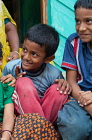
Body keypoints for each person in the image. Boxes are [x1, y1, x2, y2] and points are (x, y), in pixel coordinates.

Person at [2, 24, 71, 125]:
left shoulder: (54, 74)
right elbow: (2, 95)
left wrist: (65, 85)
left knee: (59, 89)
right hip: (21, 119)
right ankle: (41, 130)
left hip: (47, 116)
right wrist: (14, 83)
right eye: (24, 50)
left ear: (48, 59)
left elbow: (56, 103)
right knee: (23, 82)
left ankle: (40, 129)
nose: (26, 57)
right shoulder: (10, 67)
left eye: (34, 54)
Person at [57, 0, 92, 139]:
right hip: (79, 96)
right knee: (74, 126)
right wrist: (89, 105)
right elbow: (71, 82)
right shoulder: (73, 42)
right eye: (78, 21)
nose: (81, 28)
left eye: (88, 21)